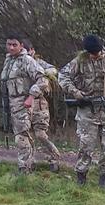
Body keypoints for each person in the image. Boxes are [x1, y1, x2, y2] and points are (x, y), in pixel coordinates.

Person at [59, 34, 105, 187]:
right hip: (87, 109)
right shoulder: (80, 60)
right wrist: (76, 92)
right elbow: (63, 76)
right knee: (85, 147)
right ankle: (81, 178)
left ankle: (103, 180)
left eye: (97, 52)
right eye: (92, 53)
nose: (95, 56)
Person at [0, 33, 48, 174]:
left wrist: (31, 97)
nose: (11, 47)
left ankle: (24, 169)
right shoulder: (8, 61)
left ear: (21, 45)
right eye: (9, 44)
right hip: (11, 103)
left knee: (21, 136)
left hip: (23, 102)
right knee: (21, 134)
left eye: (15, 44)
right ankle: (27, 165)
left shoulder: (27, 61)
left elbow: (42, 80)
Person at [22, 39, 62, 172]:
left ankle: (54, 157)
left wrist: (42, 76)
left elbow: (53, 70)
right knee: (25, 135)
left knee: (40, 134)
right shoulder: (17, 63)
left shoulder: (38, 63)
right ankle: (29, 162)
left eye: (27, 51)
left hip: (39, 103)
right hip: (23, 103)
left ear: (32, 50)